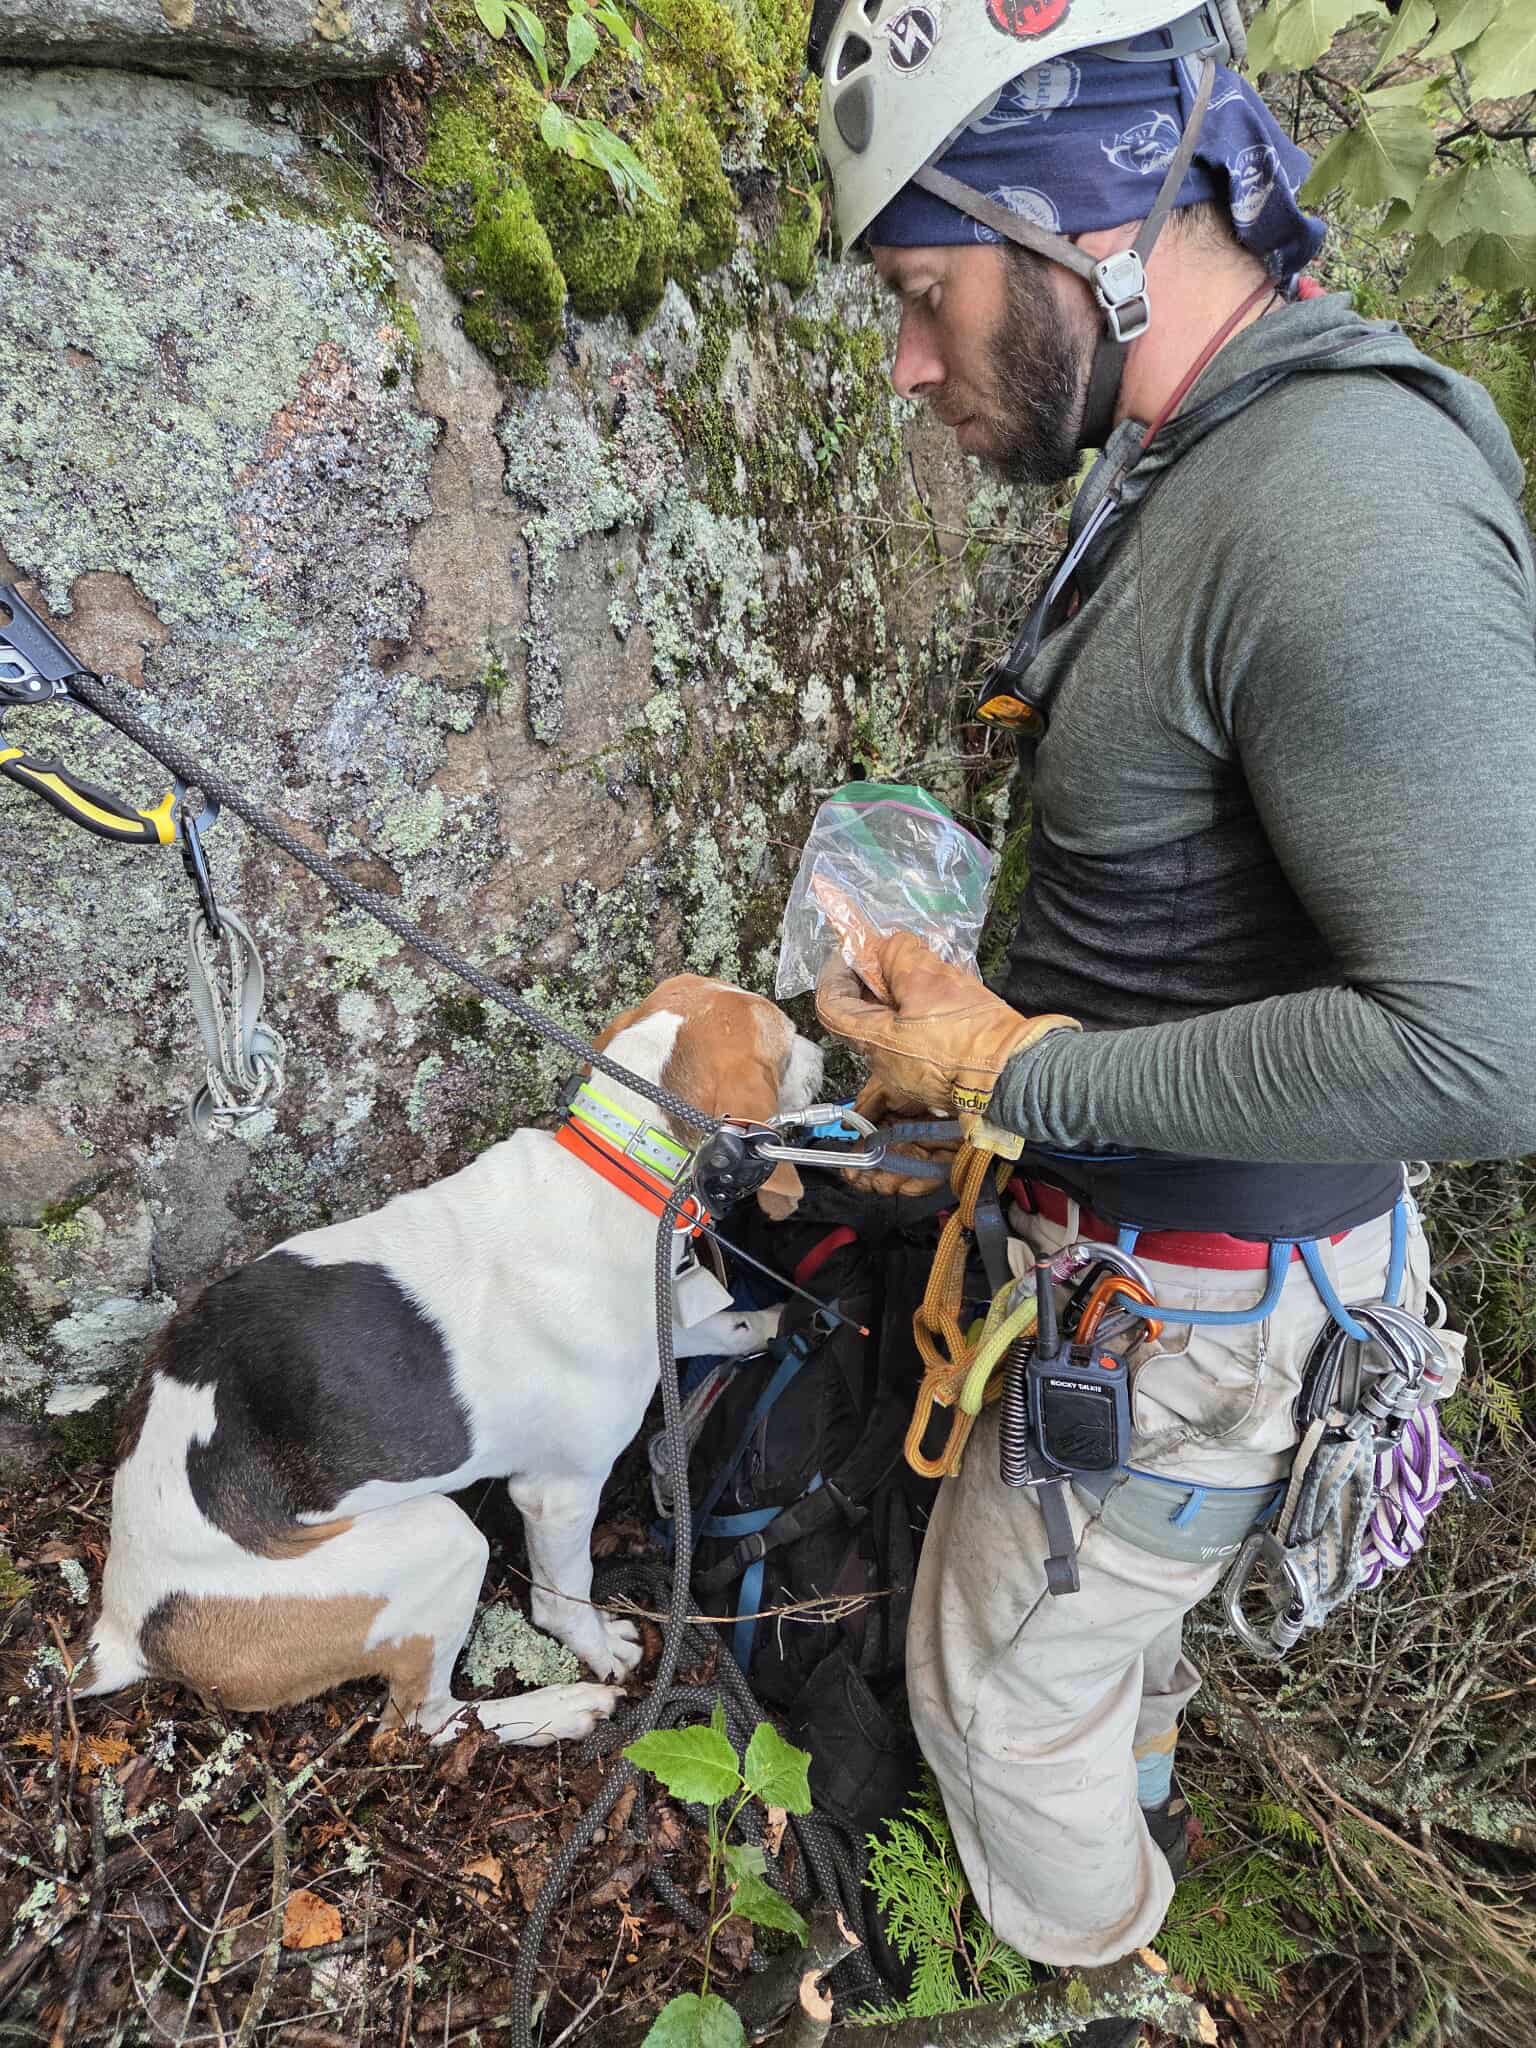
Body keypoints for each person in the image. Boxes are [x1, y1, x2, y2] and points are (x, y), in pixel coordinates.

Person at [803, 0, 1536, 2027]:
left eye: (929, 290)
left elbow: (1490, 1041)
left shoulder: (1346, 510)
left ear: (1095, 222)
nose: (910, 358)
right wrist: (992, 1017)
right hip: (1168, 1289)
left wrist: (1015, 1069)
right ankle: (1129, 1864)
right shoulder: (1202, 456)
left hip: (1200, 1305)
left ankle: (1097, 1991)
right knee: (1090, 1649)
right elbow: (1204, 912)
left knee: (991, 1694)